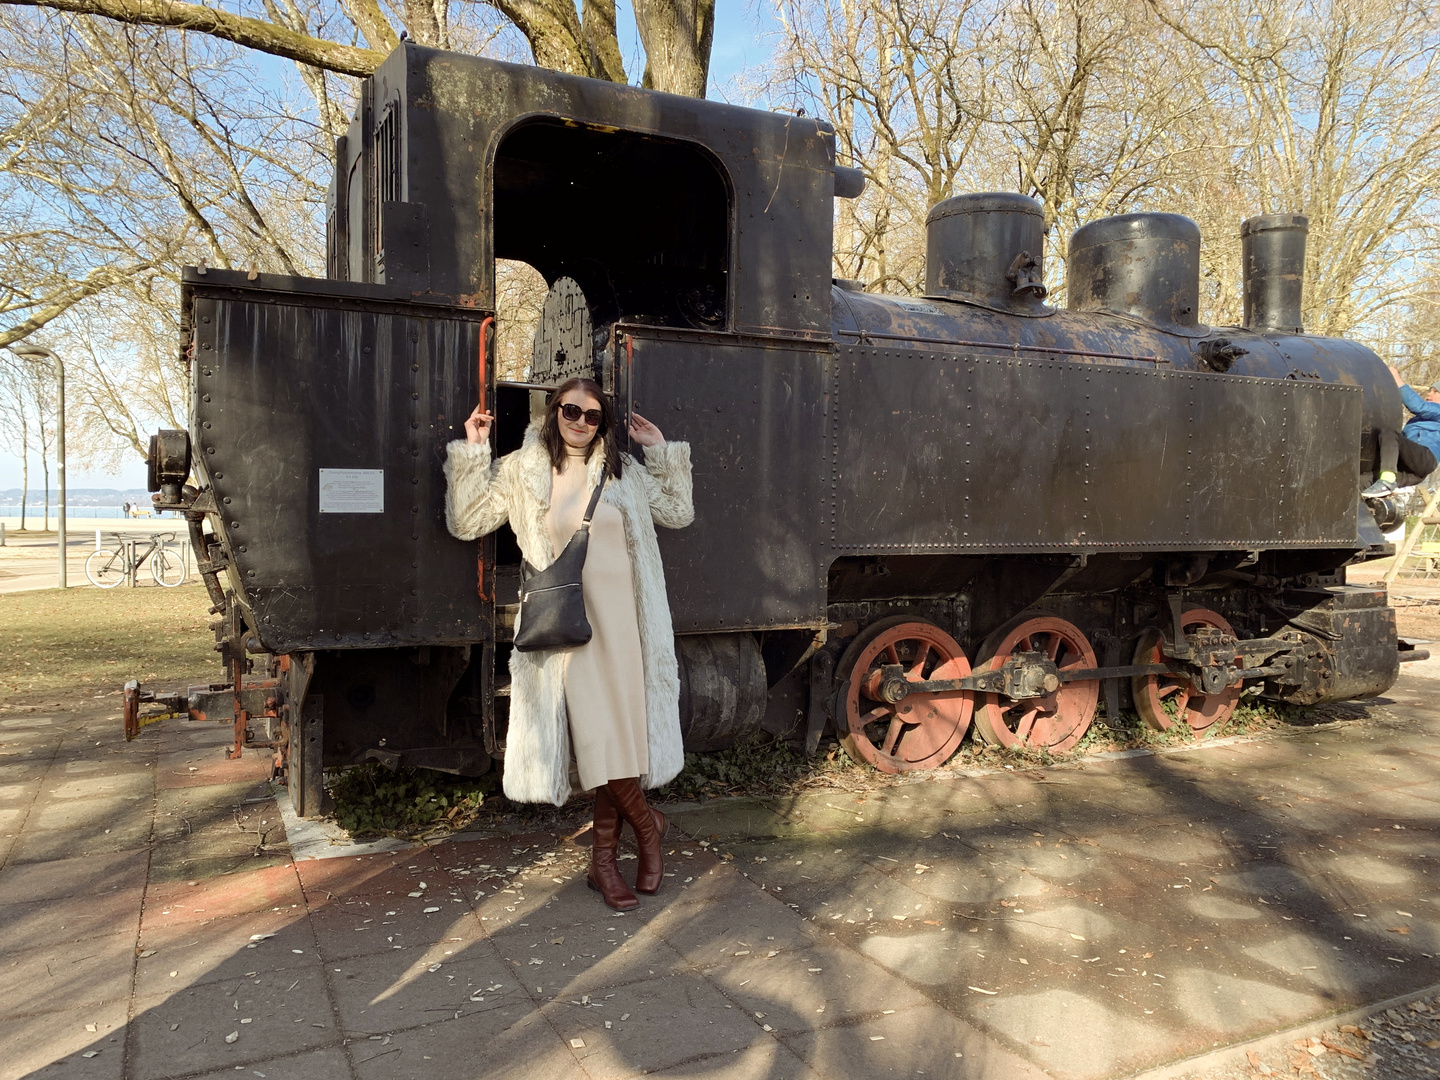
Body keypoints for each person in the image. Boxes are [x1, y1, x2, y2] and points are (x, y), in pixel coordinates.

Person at [444, 377, 694, 910]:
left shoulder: (620, 472)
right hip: (568, 628)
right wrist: (471, 452)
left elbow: (678, 512)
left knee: (619, 741)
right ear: (554, 410)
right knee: (597, 736)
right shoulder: (522, 471)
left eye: (592, 416)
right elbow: (466, 522)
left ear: (602, 423)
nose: (580, 423)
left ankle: (604, 861)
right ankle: (649, 830)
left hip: (626, 622)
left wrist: (662, 452)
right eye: (571, 411)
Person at [1364, 364, 1440, 498]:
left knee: (1389, 432)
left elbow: (1418, 406)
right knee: (1362, 480)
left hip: (1425, 458)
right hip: (1413, 472)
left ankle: (1387, 481)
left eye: (1435, 391)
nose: (1429, 393)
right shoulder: (1416, 421)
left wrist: (1396, 378)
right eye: (1430, 390)